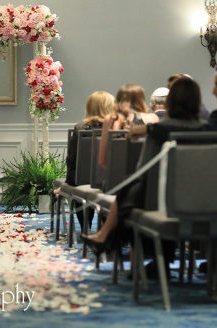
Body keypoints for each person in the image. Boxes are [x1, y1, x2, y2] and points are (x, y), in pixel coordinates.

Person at [83, 77, 207, 274]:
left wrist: (147, 130)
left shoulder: (157, 131)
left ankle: (113, 243)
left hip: (160, 201)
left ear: (171, 102)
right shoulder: (207, 130)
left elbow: (143, 169)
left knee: (132, 193)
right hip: (202, 200)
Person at [63, 91, 115, 233]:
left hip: (82, 180)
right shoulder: (116, 128)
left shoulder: (80, 128)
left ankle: (85, 227)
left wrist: (70, 180)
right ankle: (106, 226)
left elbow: (72, 158)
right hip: (109, 180)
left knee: (79, 189)